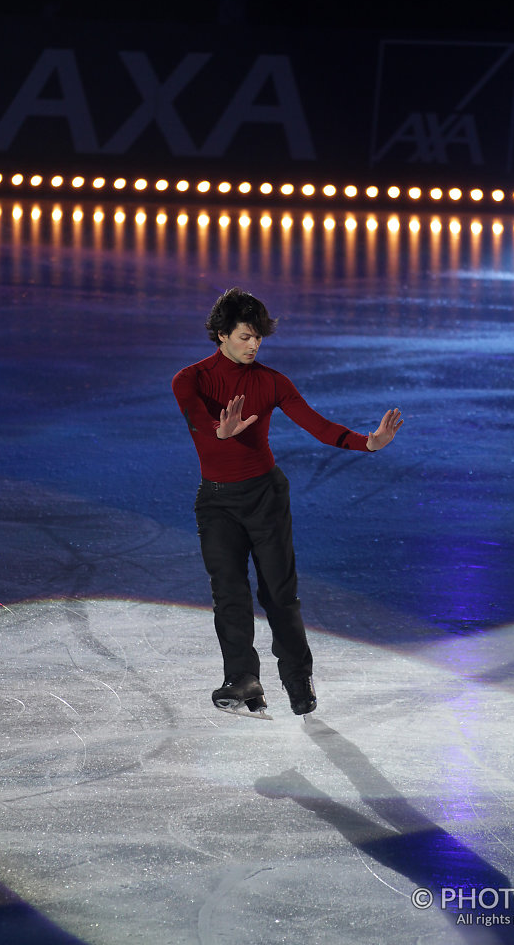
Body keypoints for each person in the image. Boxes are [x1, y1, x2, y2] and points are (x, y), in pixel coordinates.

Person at [172, 288, 403, 717]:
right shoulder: (191, 379)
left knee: (279, 595)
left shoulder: (271, 381)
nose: (254, 345)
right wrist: (220, 431)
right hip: (217, 501)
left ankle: (298, 679)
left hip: (265, 497)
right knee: (229, 593)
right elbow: (198, 421)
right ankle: (242, 678)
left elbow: (318, 426)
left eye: (258, 337)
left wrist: (368, 443)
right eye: (245, 337)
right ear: (221, 335)